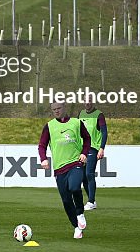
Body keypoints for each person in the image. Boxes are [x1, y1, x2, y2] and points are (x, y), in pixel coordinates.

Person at [38, 102, 91, 239]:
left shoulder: (76, 123)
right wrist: (43, 159)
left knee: (74, 187)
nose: (56, 111)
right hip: (59, 168)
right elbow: (42, 145)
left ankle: (80, 212)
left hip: (75, 162)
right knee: (66, 200)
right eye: (54, 109)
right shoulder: (49, 126)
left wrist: (84, 153)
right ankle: (76, 227)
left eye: (58, 108)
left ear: (64, 108)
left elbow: (87, 138)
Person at [78, 99, 108, 210]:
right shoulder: (81, 114)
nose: (87, 103)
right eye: (85, 101)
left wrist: (102, 148)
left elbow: (104, 132)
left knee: (89, 173)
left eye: (89, 101)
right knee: (83, 177)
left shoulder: (99, 115)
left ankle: (91, 201)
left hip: (93, 148)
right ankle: (92, 201)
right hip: (82, 149)